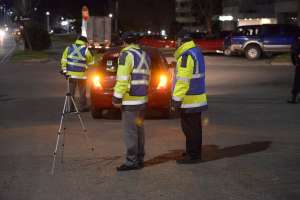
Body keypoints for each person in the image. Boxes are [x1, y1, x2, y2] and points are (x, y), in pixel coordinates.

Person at [112, 32, 151, 171]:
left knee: (130, 132)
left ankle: (131, 161)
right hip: (142, 100)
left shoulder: (126, 55)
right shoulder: (145, 55)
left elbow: (122, 79)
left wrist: (117, 97)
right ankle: (139, 159)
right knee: (139, 130)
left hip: (130, 101)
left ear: (125, 42)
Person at [171, 33, 208, 164]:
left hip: (189, 100)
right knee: (194, 128)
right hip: (196, 98)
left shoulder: (186, 56)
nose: (176, 43)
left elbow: (182, 81)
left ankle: (193, 155)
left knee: (190, 129)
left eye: (177, 41)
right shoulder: (196, 52)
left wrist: (176, 100)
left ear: (181, 41)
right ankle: (192, 152)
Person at [61, 36, 94, 112]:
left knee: (71, 92)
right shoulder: (86, 50)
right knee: (82, 93)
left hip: (70, 75)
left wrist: (65, 71)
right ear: (85, 42)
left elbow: (63, 60)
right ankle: (82, 108)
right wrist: (86, 67)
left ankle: (70, 108)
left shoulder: (68, 48)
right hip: (82, 75)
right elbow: (91, 63)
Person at [288, 37, 300, 104]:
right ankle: (294, 98)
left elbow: (293, 52)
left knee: (297, 81)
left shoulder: (296, 42)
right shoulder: (296, 41)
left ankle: (294, 98)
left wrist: (295, 62)